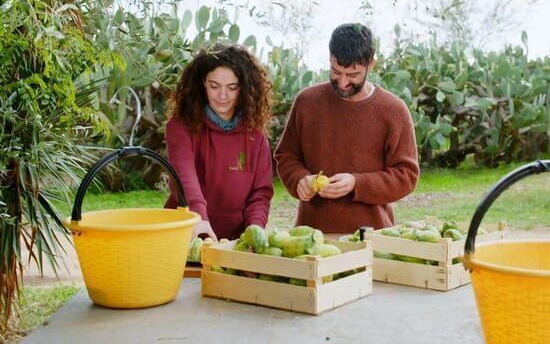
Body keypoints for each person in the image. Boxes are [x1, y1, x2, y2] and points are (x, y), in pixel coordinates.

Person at [274, 23, 420, 233]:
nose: (342, 82)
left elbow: (407, 176)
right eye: (336, 71)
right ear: (330, 58)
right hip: (310, 237)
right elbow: (286, 156)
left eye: (352, 75)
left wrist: (356, 183)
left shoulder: (393, 110)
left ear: (372, 65)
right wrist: (299, 180)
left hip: (371, 238)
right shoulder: (307, 102)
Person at [165, 43, 274, 241]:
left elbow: (260, 193)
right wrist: (198, 216)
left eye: (232, 88)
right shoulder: (181, 126)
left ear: (244, 89)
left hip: (234, 241)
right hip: (186, 234)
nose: (223, 96)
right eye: (214, 86)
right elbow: (184, 175)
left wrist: (254, 230)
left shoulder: (255, 134)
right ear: (202, 84)